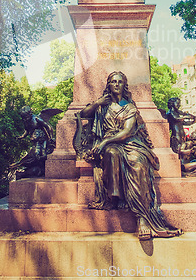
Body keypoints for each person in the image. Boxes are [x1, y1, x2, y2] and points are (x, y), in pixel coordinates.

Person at [78, 71, 182, 240]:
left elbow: (127, 131)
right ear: (109, 85)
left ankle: (142, 218)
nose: (117, 84)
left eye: (120, 81)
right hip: (111, 144)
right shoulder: (103, 106)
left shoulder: (130, 106)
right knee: (111, 154)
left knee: (138, 163)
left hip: (129, 142)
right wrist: (98, 103)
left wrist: (104, 142)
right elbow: (83, 114)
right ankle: (116, 196)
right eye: (113, 81)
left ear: (124, 85)